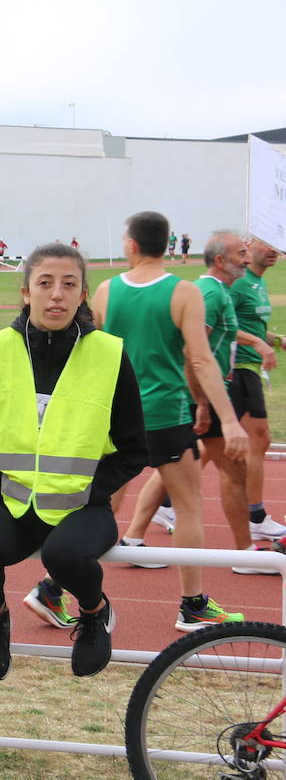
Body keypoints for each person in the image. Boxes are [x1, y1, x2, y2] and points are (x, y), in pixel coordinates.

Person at [0, 243, 146, 677]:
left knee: (62, 556)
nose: (56, 294)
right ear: (26, 292)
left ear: (84, 294)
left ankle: (95, 613)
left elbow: (134, 449)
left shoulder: (109, 354)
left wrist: (92, 491)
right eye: (45, 284)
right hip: (14, 503)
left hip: (84, 507)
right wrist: (1, 486)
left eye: (69, 284)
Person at [92, 211, 246, 630]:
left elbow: (88, 358)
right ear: (167, 243)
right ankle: (192, 604)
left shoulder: (106, 291)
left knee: (102, 505)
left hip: (117, 419)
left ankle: (52, 587)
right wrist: (228, 421)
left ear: (132, 244)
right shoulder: (184, 292)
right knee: (189, 506)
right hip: (165, 416)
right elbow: (200, 359)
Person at [129, 232, 281, 570]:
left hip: (201, 393)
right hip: (201, 393)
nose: (246, 259)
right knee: (230, 467)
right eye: (241, 253)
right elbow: (191, 351)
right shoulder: (211, 294)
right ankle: (243, 553)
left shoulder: (219, 291)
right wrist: (201, 400)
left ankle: (132, 538)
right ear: (219, 261)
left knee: (175, 465)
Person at [230, 237, 284, 537]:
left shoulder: (258, 283)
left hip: (248, 369)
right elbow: (224, 322)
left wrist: (276, 340)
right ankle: (256, 518)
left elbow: (251, 324)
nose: (272, 249)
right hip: (238, 368)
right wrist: (260, 344)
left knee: (209, 446)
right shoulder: (239, 283)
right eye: (266, 243)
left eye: (276, 244)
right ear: (249, 245)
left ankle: (166, 500)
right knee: (256, 441)